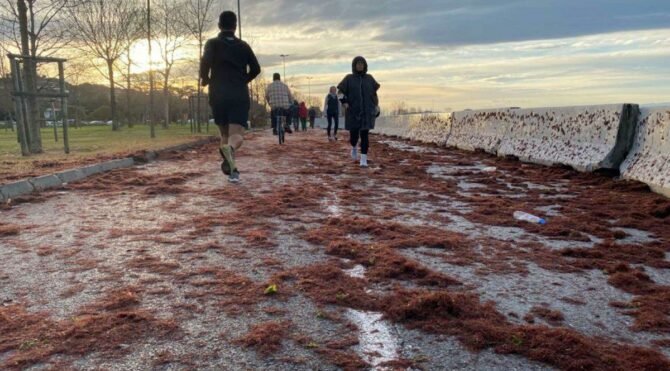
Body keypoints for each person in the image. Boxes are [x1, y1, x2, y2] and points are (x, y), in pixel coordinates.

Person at [201, 10, 260, 183]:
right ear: (235, 26)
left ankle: (232, 170)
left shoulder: (211, 43)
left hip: (217, 92)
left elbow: (205, 62)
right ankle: (231, 149)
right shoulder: (244, 46)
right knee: (237, 134)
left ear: (219, 25)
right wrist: (244, 80)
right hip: (238, 93)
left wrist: (205, 79)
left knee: (224, 133)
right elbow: (256, 69)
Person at [337, 56, 380, 168]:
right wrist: (344, 102)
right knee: (354, 136)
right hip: (353, 112)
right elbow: (340, 93)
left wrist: (376, 106)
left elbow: (374, 95)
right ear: (354, 66)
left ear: (365, 66)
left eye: (362, 64)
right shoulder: (349, 78)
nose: (360, 66)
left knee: (365, 135)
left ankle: (364, 159)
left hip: (367, 111)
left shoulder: (369, 78)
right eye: (358, 64)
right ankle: (354, 147)